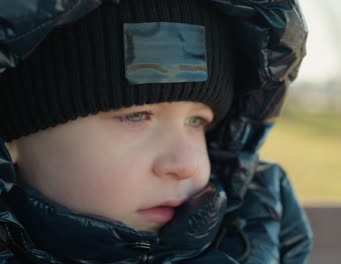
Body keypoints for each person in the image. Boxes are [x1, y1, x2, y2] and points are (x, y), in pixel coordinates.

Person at [0, 0, 312, 263]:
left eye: (196, 122)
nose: (185, 164)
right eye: (136, 116)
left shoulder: (250, 240)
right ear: (11, 139)